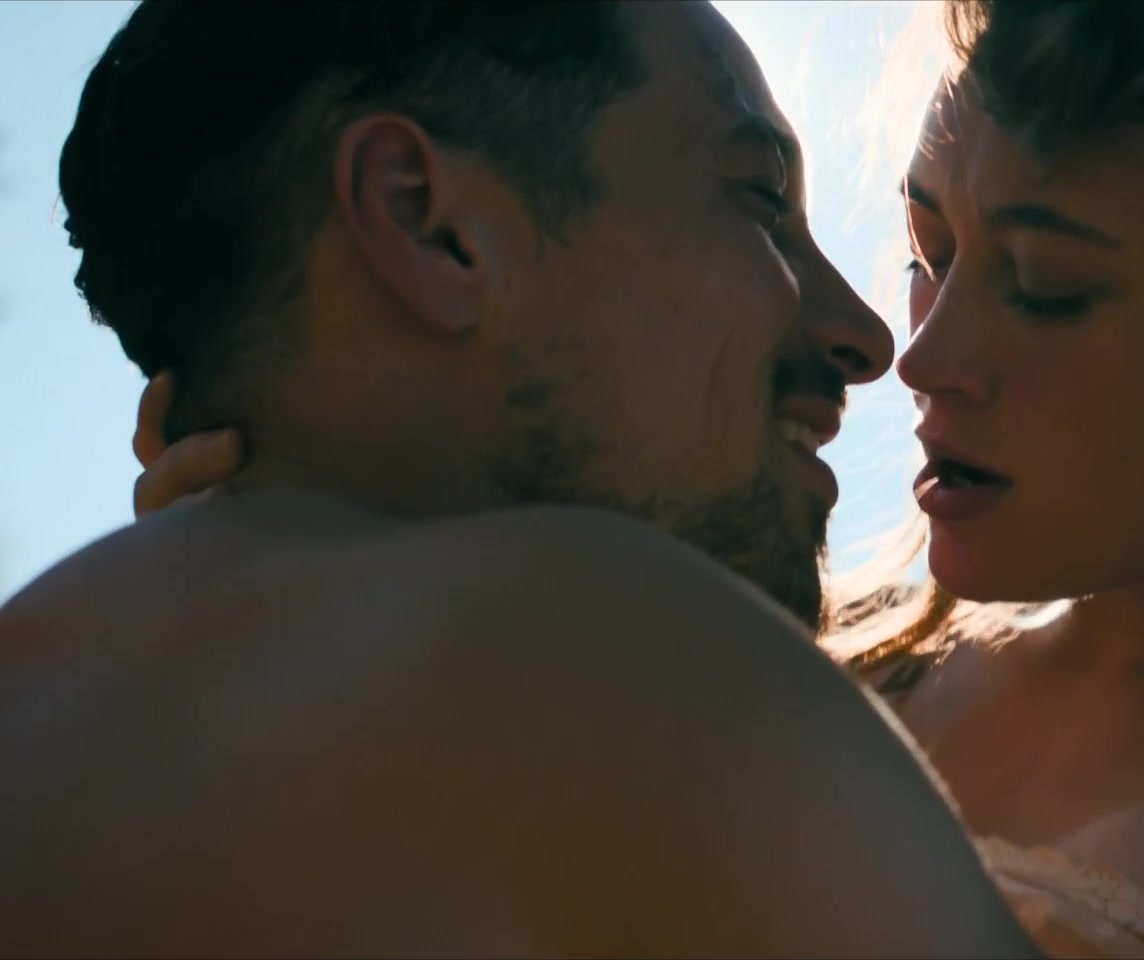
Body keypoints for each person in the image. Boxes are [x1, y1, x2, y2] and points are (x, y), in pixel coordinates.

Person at [130, 1, 1144, 958]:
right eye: (928, 250)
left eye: (1048, 288)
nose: (922, 354)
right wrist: (273, 625)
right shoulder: (804, 670)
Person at [0, 2, 1040, 956]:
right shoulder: (628, 649)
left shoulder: (65, 717)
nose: (864, 337)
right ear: (430, 224)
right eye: (759, 201)